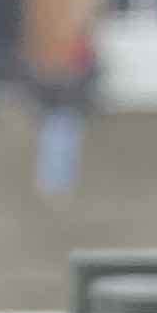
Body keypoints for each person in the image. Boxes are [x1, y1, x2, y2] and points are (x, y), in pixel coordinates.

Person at [32, 29, 99, 202]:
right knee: (58, 149)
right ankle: (54, 185)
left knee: (62, 149)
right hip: (59, 112)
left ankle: (58, 185)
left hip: (65, 112)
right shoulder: (66, 64)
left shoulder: (79, 65)